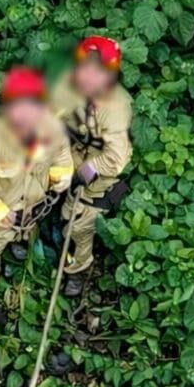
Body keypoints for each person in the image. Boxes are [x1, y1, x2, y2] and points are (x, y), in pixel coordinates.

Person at [0, 67, 73, 328]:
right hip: (0, 214)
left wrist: (61, 178)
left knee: (25, 231)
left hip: (34, 208)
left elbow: (61, 156)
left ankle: (20, 242)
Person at [52, 36, 134, 297]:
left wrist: (81, 176)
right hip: (67, 154)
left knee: (77, 224)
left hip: (97, 172)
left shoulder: (116, 107)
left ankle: (78, 269)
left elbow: (115, 158)